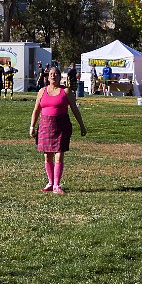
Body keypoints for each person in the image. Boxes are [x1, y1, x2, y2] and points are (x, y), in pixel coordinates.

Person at [29, 65, 87, 194]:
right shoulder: (42, 91)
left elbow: (75, 109)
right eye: (51, 74)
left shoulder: (66, 91)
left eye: (56, 74)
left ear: (60, 77)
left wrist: (82, 126)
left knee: (59, 154)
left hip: (61, 125)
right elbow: (36, 110)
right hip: (45, 125)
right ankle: (50, 182)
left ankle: (56, 185)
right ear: (47, 77)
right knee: (47, 155)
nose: (53, 76)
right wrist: (32, 126)